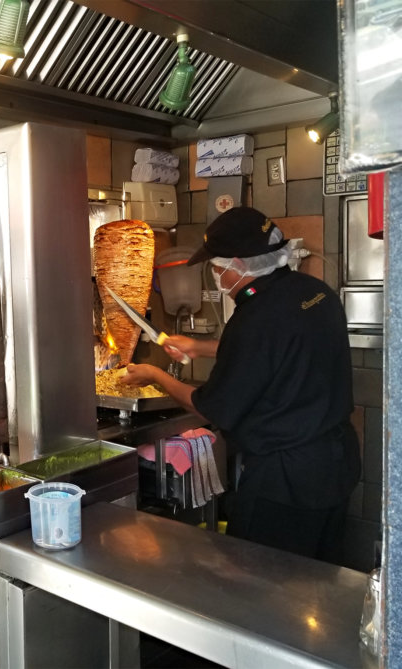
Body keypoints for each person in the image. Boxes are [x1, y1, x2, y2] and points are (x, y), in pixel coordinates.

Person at [124, 206, 361, 563]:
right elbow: (279, 352)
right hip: (336, 463)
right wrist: (198, 347)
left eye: (218, 269)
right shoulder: (315, 293)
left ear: (238, 266)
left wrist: (153, 375)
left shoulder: (254, 318)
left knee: (260, 583)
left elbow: (211, 406)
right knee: (320, 579)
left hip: (286, 482)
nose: (218, 278)